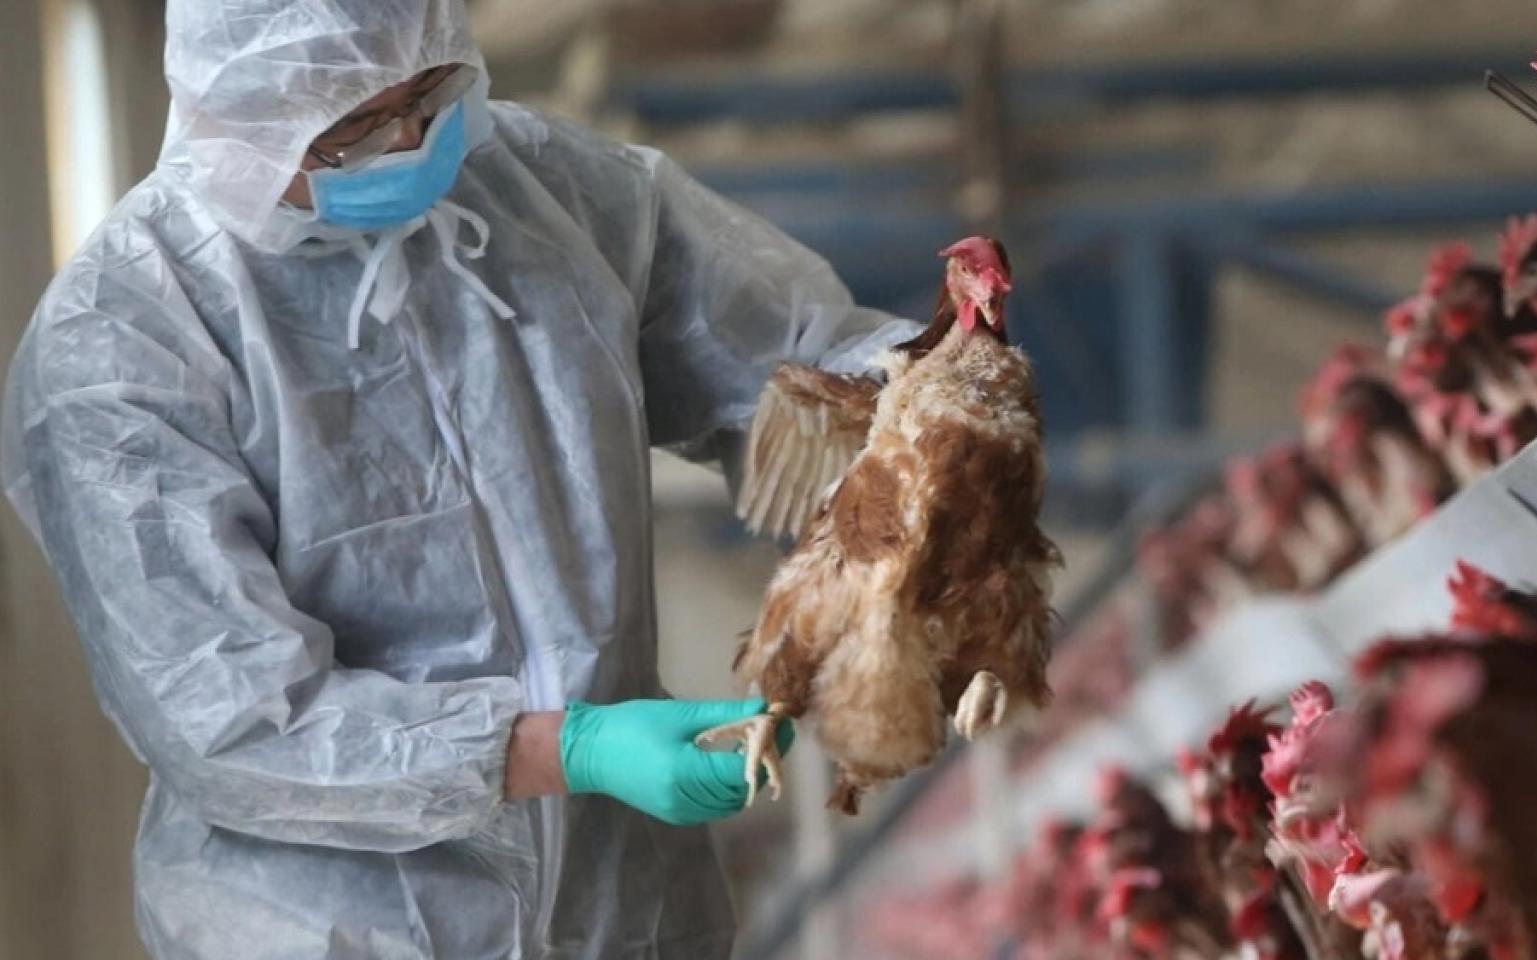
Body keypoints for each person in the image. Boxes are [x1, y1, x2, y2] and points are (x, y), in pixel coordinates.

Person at [0, 1, 917, 958]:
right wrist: (572, 750)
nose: (407, 142)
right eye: (352, 124)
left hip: (622, 915)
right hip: (332, 931)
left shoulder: (542, 189)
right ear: (241, 113)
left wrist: (928, 413)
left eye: (429, 91)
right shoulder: (122, 340)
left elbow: (793, 362)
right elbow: (232, 722)